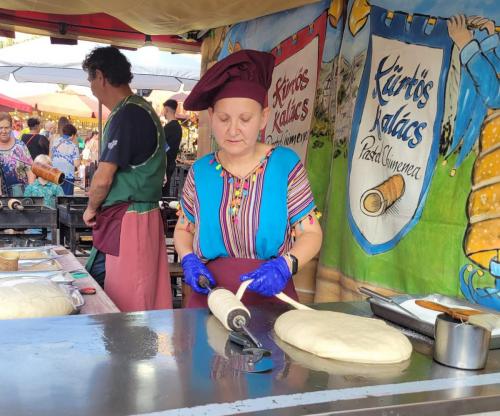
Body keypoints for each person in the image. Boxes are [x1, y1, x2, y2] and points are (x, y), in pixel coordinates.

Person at [175, 50, 323, 308]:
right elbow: (182, 229)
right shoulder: (201, 171)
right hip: (210, 295)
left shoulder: (285, 165)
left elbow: (311, 233)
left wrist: (284, 267)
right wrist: (188, 258)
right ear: (211, 116)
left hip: (271, 295)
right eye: (223, 119)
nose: (233, 130)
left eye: (245, 119)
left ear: (263, 117)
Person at [82, 46, 171, 311]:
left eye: (90, 80)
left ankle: (128, 351)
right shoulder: (142, 110)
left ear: (100, 76)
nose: (91, 88)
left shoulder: (127, 114)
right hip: (137, 216)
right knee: (116, 291)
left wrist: (90, 208)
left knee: (130, 301)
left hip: (130, 219)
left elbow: (103, 178)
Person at [0, 112, 35, 196]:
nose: (3, 131)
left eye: (6, 127)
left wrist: (30, 192)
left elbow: (30, 170)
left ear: (11, 127)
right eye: (0, 128)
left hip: (23, 195)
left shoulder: (20, 146)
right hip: (2, 199)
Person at [50, 123, 80, 195]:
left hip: (54, 174)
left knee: (55, 197)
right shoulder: (73, 146)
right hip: (67, 176)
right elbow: (77, 164)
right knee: (66, 200)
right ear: (72, 135)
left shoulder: (55, 142)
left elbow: (50, 157)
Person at [162, 99, 183, 196]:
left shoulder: (170, 127)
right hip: (170, 163)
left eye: (163, 110)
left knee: (162, 193)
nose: (163, 113)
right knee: (165, 191)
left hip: (165, 164)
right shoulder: (177, 127)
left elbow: (161, 145)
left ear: (166, 110)